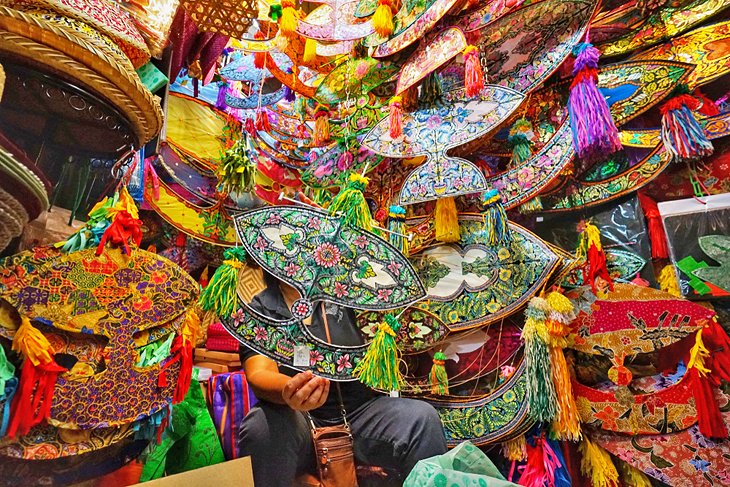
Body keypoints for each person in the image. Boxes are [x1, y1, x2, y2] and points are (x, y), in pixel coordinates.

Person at [238, 272, 448, 486]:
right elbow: (258, 372)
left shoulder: (346, 295)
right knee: (260, 426)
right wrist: (289, 390)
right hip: (296, 417)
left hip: (358, 413)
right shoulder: (260, 309)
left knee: (421, 419)